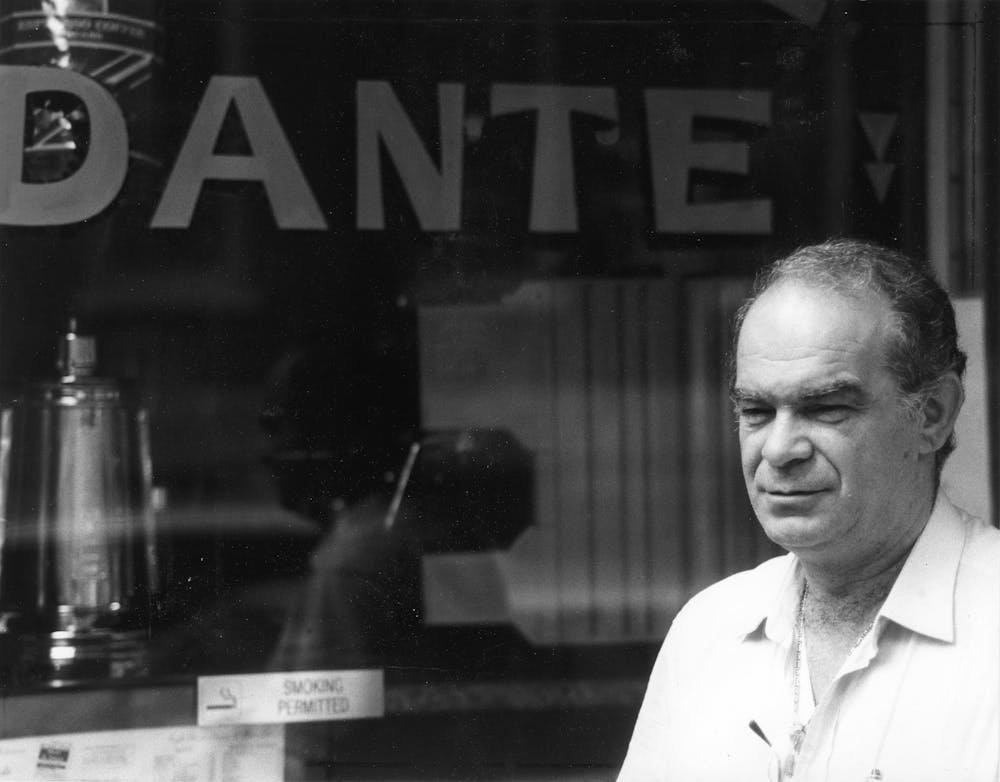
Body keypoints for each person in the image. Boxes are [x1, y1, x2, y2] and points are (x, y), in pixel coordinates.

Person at [618, 238, 999, 782]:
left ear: (933, 414)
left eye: (825, 408)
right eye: (756, 410)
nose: (779, 450)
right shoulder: (708, 630)